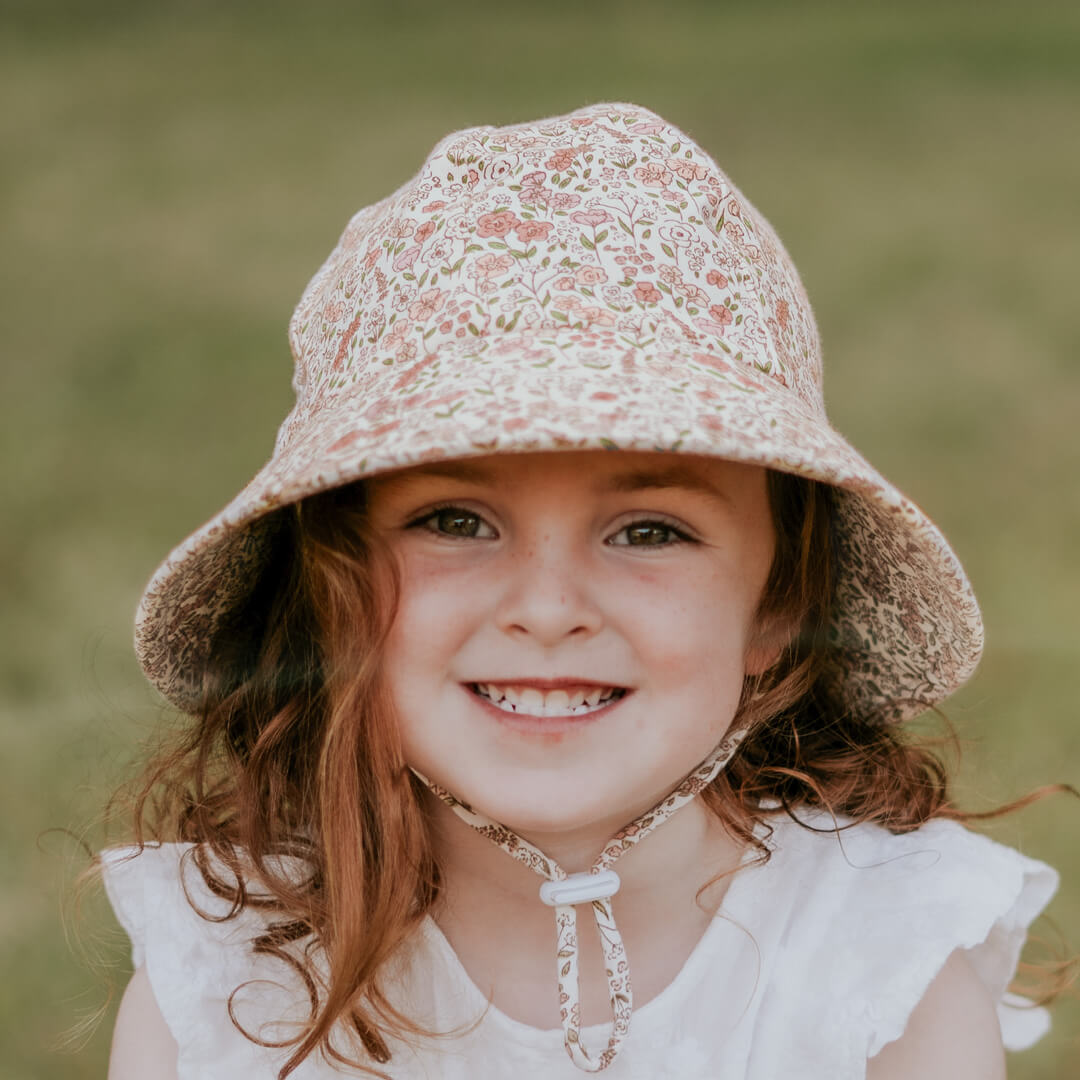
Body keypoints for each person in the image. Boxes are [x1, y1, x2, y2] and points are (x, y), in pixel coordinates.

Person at [102, 103, 1062, 1080]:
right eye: (456, 522)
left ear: (777, 607)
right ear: (333, 590)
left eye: (649, 532)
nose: (550, 608)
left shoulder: (876, 961)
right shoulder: (230, 981)